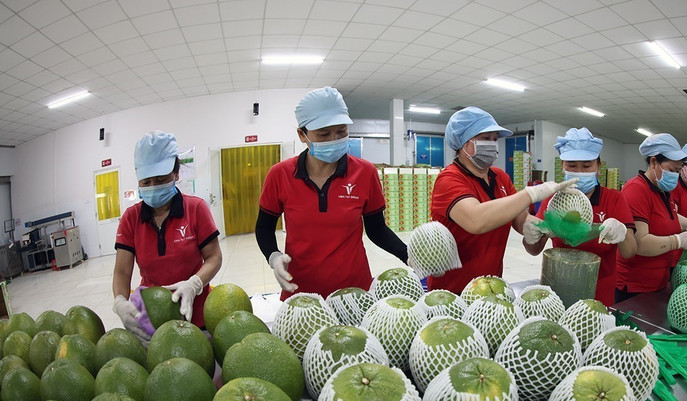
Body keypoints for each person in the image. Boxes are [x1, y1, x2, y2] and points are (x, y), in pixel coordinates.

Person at [255, 86, 407, 300]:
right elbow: (264, 227)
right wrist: (273, 256)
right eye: (324, 134)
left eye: (341, 131)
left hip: (355, 292)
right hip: (302, 293)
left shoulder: (365, 172)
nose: (334, 139)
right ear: (302, 134)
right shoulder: (280, 175)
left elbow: (377, 229)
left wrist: (407, 254)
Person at [429, 107, 576, 294]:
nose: (492, 144)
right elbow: (476, 220)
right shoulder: (450, 179)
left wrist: (548, 226)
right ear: (464, 144)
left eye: (494, 138)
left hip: (491, 288)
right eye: (485, 138)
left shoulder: (500, 177)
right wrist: (530, 194)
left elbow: (521, 219)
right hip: (452, 291)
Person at [113, 131, 222, 341]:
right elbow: (122, 271)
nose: (153, 187)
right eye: (146, 182)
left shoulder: (195, 209)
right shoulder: (131, 218)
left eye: (161, 179)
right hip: (152, 319)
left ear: (176, 174)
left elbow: (214, 257)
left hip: (197, 316)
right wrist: (120, 300)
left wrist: (194, 284)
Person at [524, 128, 637, 306]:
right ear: (562, 167)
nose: (579, 171)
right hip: (558, 293)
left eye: (586, 166)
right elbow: (534, 250)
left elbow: (629, 251)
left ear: (598, 168)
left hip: (599, 295)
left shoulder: (614, 199)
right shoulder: (553, 200)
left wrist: (621, 233)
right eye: (571, 165)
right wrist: (530, 236)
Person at [615, 133, 687, 302]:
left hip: (657, 285)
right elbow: (639, 243)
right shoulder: (636, 190)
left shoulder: (663, 192)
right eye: (672, 170)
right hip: (634, 289)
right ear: (654, 162)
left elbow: (668, 218)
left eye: (678, 171)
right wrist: (678, 241)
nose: (675, 176)